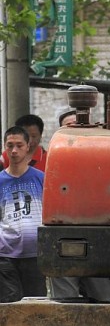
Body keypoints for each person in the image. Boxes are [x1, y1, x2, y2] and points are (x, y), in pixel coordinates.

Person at [48, 113, 110, 305]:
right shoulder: (55, 158)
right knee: (65, 302)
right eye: (70, 125)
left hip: (102, 233)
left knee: (105, 299)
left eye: (81, 124)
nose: (76, 128)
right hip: (62, 233)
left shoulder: (106, 154)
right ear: (61, 131)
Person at [0, 126, 46, 303]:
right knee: (9, 305)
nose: (14, 150)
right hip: (6, 255)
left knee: (36, 304)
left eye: (19, 145)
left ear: (28, 146)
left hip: (35, 254)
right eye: (10, 145)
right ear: (4, 147)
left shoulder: (41, 178)